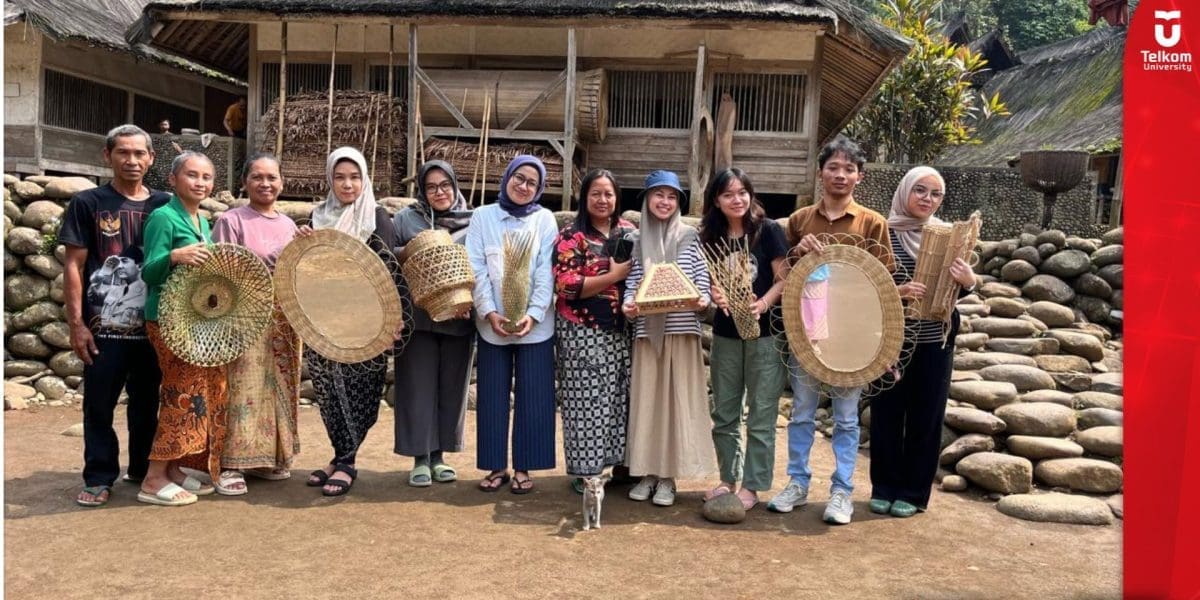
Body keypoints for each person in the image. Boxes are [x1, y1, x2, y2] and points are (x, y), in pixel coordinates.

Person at [767, 137, 894, 524]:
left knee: (847, 416)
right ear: (820, 172)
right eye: (833, 167)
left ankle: (841, 491)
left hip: (854, 333)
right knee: (802, 411)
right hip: (809, 331)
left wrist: (880, 340)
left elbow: (884, 282)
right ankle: (797, 483)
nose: (840, 175)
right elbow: (783, 273)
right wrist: (799, 250)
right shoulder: (800, 220)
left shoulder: (873, 222)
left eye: (848, 169)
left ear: (860, 176)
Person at [60, 125, 171, 507]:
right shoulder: (88, 203)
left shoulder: (164, 205)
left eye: (140, 153)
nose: (132, 160)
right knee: (98, 404)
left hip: (155, 327)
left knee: (147, 404)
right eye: (123, 152)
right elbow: (73, 266)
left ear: (151, 159)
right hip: (103, 328)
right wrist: (77, 325)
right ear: (107, 156)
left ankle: (143, 469)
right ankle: (99, 475)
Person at [869, 166, 977, 518]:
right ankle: (884, 487)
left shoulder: (949, 236)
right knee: (887, 413)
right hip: (891, 338)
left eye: (935, 194)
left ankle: (914, 493)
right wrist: (896, 291)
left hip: (936, 339)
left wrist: (969, 280)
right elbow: (865, 285)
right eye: (920, 190)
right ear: (904, 192)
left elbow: (961, 288)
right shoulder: (883, 233)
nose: (927, 199)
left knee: (926, 416)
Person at [304, 146, 403, 496]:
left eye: (354, 176)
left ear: (365, 179)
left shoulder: (377, 218)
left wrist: (393, 320)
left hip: (367, 322)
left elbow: (390, 273)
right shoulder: (317, 219)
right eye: (340, 177)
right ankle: (340, 455)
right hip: (322, 320)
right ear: (330, 180)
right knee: (329, 390)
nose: (348, 184)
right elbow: (306, 267)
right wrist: (302, 245)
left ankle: (347, 460)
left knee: (358, 389)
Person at [620, 170, 715, 507]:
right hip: (648, 332)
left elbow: (700, 282)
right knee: (647, 404)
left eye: (672, 196)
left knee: (675, 404)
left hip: (680, 331)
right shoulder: (636, 241)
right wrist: (628, 304)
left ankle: (669, 478)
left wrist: (703, 300)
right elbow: (633, 283)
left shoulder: (690, 237)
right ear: (646, 199)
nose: (665, 202)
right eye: (658, 195)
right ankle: (647, 472)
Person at [466, 155, 558, 494]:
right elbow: (475, 268)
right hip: (493, 325)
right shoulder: (483, 217)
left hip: (537, 326)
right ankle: (495, 466)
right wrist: (490, 312)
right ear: (506, 178)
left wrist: (533, 314)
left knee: (534, 396)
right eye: (519, 178)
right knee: (491, 395)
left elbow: (546, 272)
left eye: (532, 182)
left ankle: (524, 466)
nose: (523, 186)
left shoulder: (545, 220)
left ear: (539, 188)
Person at [210, 153, 300, 495]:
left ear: (282, 183)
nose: (266, 184)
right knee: (242, 388)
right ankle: (232, 463)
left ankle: (269, 458)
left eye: (272, 177)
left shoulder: (289, 225)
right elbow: (218, 272)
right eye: (258, 177)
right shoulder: (232, 220)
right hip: (244, 316)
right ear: (245, 182)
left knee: (279, 386)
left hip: (283, 319)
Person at [138, 151, 224, 506]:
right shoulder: (163, 217)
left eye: (206, 177)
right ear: (173, 179)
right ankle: (153, 478)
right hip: (167, 320)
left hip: (192, 321)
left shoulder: (202, 221)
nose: (200, 182)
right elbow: (148, 271)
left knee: (197, 393)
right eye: (192, 175)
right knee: (181, 393)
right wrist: (175, 257)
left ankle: (174, 469)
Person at [699, 168, 788, 511]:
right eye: (728, 195)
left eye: (742, 193)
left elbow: (784, 278)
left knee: (762, 414)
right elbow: (704, 278)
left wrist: (763, 302)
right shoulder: (708, 236)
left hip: (766, 337)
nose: (737, 200)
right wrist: (715, 295)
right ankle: (727, 479)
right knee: (725, 412)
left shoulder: (768, 231)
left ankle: (753, 485)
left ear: (751, 195)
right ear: (716, 201)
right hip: (725, 336)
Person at [391, 160, 475, 487]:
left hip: (460, 316)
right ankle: (419, 457)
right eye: (431, 187)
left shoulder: (473, 220)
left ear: (455, 186)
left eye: (445, 185)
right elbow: (389, 257)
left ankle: (439, 456)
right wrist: (413, 250)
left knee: (451, 387)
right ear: (422, 190)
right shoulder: (406, 219)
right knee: (416, 385)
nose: (439, 192)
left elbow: (482, 263)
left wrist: (472, 302)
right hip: (418, 316)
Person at [552, 169, 637, 493]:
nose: (603, 200)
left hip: (622, 331)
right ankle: (585, 471)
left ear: (617, 198)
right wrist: (614, 276)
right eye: (596, 194)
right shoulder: (571, 236)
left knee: (620, 400)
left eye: (609, 194)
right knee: (585, 402)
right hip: (581, 331)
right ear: (584, 198)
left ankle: (620, 466)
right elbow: (567, 285)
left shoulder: (628, 232)